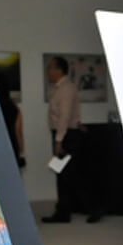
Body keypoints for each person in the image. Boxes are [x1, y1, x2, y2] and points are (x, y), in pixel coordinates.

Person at [43, 56, 93, 223]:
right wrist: (77, 123)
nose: (48, 72)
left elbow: (64, 116)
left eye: (50, 68)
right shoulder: (62, 87)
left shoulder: (65, 88)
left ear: (58, 70)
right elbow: (70, 113)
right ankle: (66, 210)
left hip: (65, 136)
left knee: (68, 175)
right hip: (67, 133)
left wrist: (59, 140)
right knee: (66, 174)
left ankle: (85, 208)